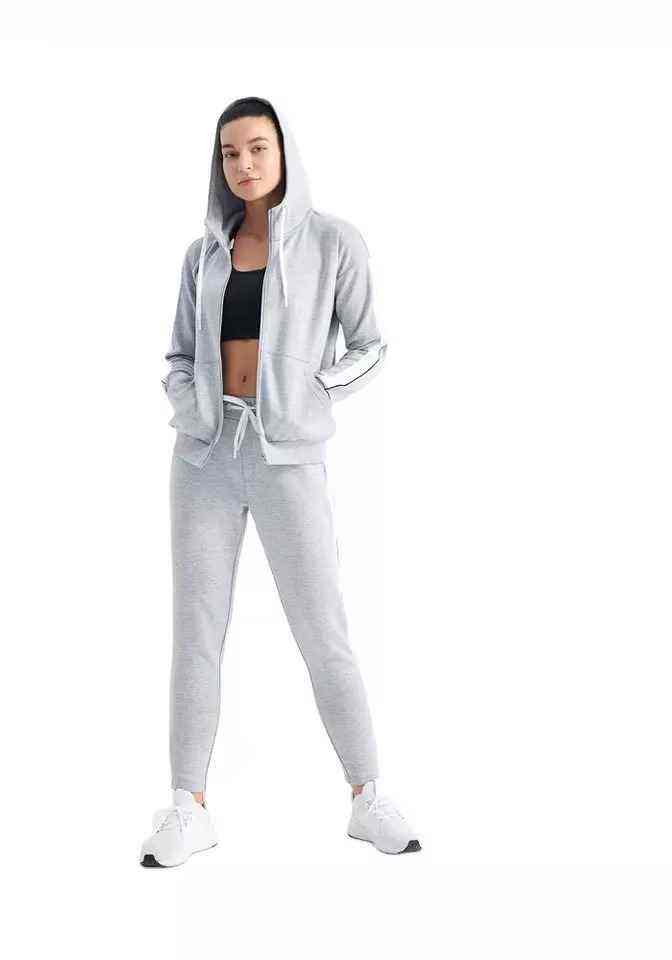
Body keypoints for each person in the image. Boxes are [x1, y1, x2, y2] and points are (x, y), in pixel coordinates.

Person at [140, 96, 421, 867]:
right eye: (230, 153)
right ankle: (187, 805)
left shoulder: (333, 242)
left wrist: (311, 393)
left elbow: (369, 344)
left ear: (283, 150)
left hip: (288, 459)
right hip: (203, 457)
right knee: (196, 632)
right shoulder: (203, 255)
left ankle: (366, 795)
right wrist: (190, 406)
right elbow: (177, 354)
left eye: (257, 148)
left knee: (322, 629)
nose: (244, 164)